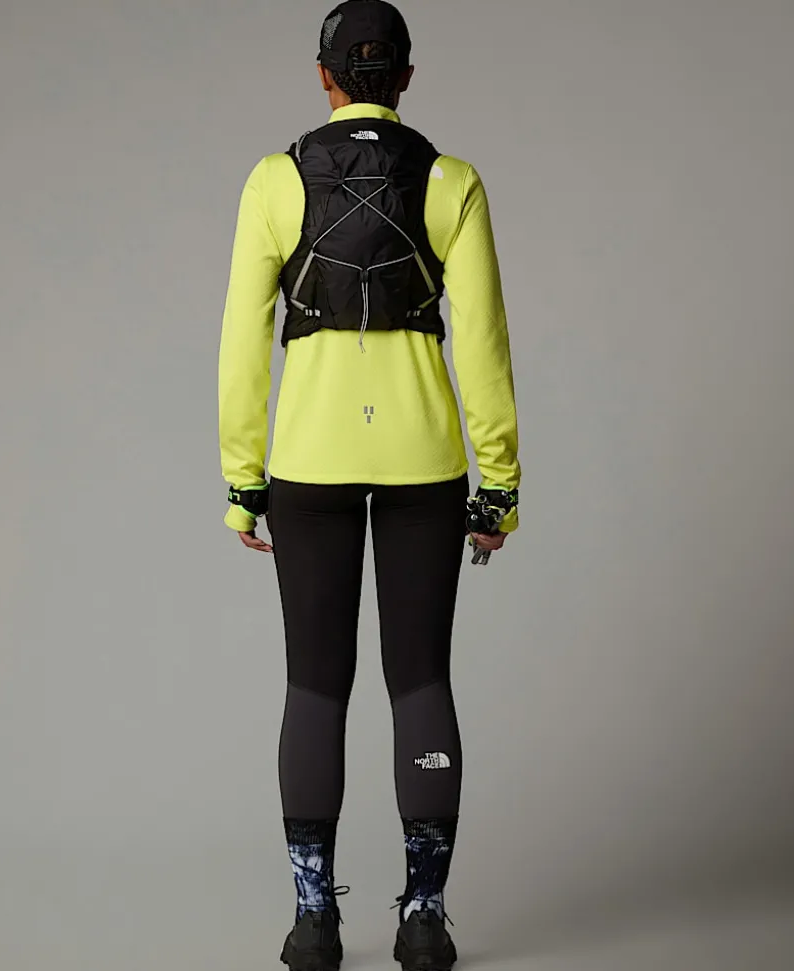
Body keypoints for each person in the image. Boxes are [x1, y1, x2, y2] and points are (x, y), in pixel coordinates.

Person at [217, 2, 521, 968]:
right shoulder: (453, 181)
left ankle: (314, 924)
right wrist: (500, 484)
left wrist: (241, 479)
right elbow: (482, 344)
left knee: (315, 684)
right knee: (421, 679)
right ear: (407, 77)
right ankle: (423, 921)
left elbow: (241, 344)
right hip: (425, 463)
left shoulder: (273, 180)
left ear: (323, 76)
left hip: (306, 464)